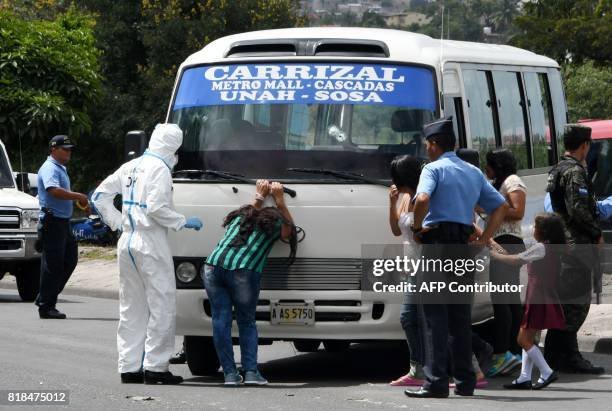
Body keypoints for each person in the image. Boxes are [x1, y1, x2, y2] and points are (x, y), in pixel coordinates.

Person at [404, 117, 508, 399]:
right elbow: (500, 207)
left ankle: (436, 381)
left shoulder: (432, 169)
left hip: (437, 246)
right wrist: (485, 238)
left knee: (434, 317)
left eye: (427, 145)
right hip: (463, 246)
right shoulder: (473, 172)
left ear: (435, 145)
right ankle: (465, 381)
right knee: (460, 318)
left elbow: (422, 199)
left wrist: (416, 228)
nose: (426, 149)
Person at [92, 123, 203, 385]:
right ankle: (156, 368)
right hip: (151, 242)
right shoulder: (160, 170)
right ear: (173, 148)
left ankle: (129, 367)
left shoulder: (132, 165)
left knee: (132, 308)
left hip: (127, 242)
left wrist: (119, 223)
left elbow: (99, 196)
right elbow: (156, 208)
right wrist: (181, 220)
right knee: (162, 306)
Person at [203, 180, 296, 386]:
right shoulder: (273, 226)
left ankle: (229, 375)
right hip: (243, 272)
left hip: (212, 267)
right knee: (246, 322)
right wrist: (280, 202)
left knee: (221, 320)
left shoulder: (241, 218)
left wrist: (260, 195)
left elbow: (252, 209)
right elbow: (289, 231)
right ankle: (251, 373)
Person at [544, 124, 605, 374]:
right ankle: (568, 357)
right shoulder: (574, 172)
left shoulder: (557, 169)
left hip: (562, 243)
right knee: (577, 305)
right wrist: (595, 233)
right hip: (576, 245)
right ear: (584, 145)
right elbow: (578, 209)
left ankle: (555, 354)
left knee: (566, 302)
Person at [490, 213, 566, 390]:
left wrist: (496, 255)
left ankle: (546, 371)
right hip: (543, 295)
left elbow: (516, 260)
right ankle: (525, 377)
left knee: (522, 339)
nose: (533, 229)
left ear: (543, 231)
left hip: (537, 297)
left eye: (535, 226)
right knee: (528, 338)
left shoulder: (541, 248)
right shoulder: (553, 248)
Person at [35, 135, 90, 319]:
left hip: (62, 222)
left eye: (69, 149)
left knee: (69, 260)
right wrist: (79, 196)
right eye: (64, 149)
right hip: (53, 223)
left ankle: (45, 296)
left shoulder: (60, 168)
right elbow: (54, 191)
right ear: (53, 149)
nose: (68, 152)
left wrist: (78, 201)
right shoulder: (50, 168)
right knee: (53, 265)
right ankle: (46, 306)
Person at [483, 149, 527, 377]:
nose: (486, 169)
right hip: (503, 244)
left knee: (502, 302)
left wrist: (491, 209)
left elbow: (518, 211)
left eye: (488, 165)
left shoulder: (512, 180)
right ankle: (514, 352)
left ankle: (503, 354)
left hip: (507, 243)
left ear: (498, 165)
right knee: (509, 301)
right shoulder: (498, 183)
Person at [388, 155, 426, 386]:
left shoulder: (424, 198)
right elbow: (395, 229)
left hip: (427, 266)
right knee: (423, 319)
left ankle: (419, 369)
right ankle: (420, 368)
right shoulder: (403, 198)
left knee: (409, 317)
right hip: (412, 266)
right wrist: (391, 203)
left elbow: (422, 236)